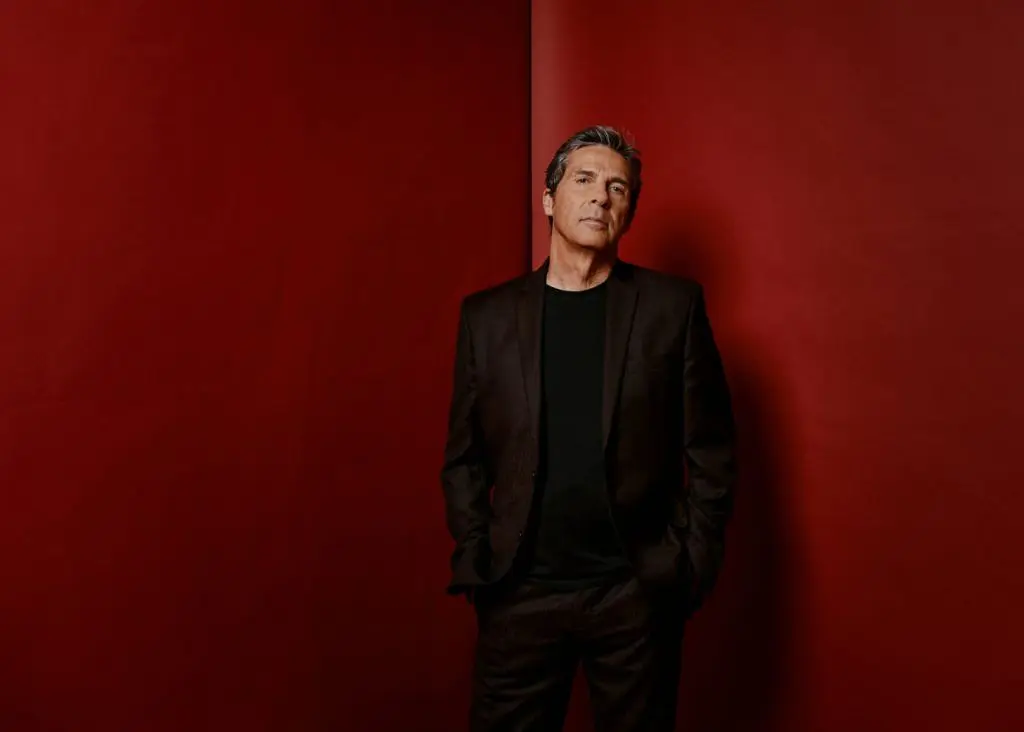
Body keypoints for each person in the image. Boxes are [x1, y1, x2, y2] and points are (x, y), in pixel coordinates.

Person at [440, 125, 738, 731]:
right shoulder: (487, 317)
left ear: (628, 213)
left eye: (617, 187)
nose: (601, 196)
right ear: (550, 199)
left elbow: (712, 451)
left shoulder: (672, 308)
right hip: (520, 592)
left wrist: (688, 563)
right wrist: (479, 555)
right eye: (584, 179)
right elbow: (463, 457)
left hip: (635, 595)